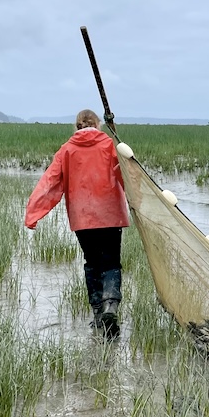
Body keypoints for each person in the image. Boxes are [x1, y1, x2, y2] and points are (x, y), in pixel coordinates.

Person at [25, 109, 130, 339]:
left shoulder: (67, 150)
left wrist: (33, 213)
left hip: (82, 219)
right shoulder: (110, 146)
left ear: (77, 126)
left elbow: (50, 183)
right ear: (97, 124)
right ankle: (110, 306)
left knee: (92, 263)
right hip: (110, 216)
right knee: (111, 262)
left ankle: (98, 313)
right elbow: (128, 174)